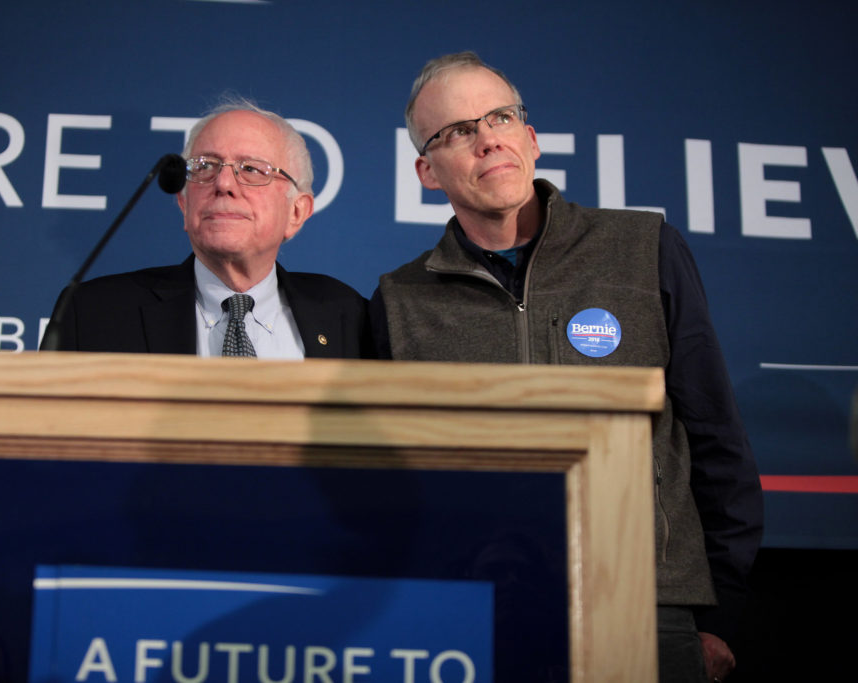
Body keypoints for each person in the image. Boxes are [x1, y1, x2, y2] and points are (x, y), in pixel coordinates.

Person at [372, 52, 763, 683]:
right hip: (473, 614)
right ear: (426, 170)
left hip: (649, 608)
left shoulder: (644, 250)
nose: (488, 139)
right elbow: (394, 487)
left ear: (530, 138)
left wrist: (721, 612)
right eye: (459, 131)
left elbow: (718, 439)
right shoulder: (400, 299)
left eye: (500, 117)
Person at [44, 98, 372, 359]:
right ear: (185, 205)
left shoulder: (349, 317)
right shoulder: (94, 313)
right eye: (205, 167)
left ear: (297, 212)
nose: (224, 183)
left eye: (252, 169)